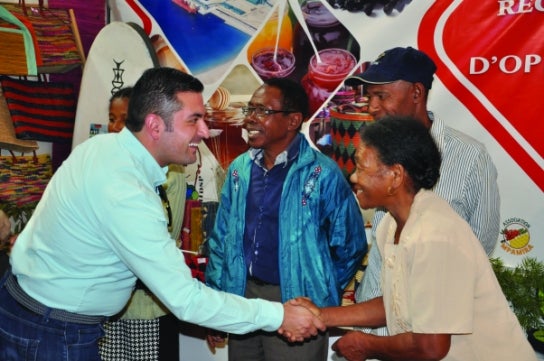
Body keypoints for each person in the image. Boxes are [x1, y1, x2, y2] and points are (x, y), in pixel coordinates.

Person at [0, 67, 325, 361]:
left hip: (30, 312)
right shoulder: (126, 191)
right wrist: (280, 316)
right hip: (53, 332)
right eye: (193, 120)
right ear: (155, 125)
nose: (204, 131)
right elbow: (186, 300)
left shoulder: (102, 149)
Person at [296, 115, 536, 361]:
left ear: (395, 177)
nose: (354, 178)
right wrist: (322, 316)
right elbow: (396, 302)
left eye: (361, 167)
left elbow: (431, 347)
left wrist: (367, 344)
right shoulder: (391, 223)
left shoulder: (435, 235)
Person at [204, 77, 368, 361]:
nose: (250, 119)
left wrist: (317, 288)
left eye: (262, 111)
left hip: (296, 302)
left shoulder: (323, 174)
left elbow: (350, 245)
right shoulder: (239, 170)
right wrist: (216, 303)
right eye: (249, 110)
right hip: (243, 296)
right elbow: (221, 241)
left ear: (293, 120)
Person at [344, 46, 501, 336]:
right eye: (369, 96)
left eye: (381, 96)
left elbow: (480, 246)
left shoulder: (468, 156)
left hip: (428, 332)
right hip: (372, 323)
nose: (371, 106)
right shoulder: (371, 152)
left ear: (416, 93)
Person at [99, 86, 186, 361]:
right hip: (106, 306)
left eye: (122, 119)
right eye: (111, 119)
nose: (114, 128)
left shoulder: (169, 171)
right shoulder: (101, 166)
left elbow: (162, 239)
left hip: (148, 306)